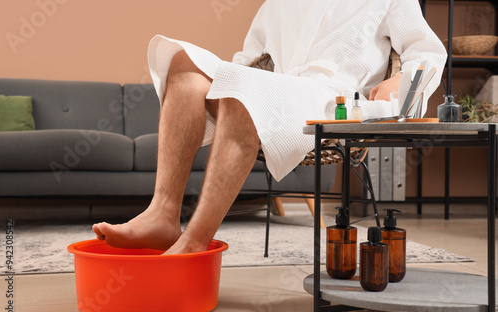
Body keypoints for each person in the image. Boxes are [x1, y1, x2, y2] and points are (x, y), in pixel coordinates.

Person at [93, 0, 447, 254]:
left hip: (332, 101)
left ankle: (195, 240)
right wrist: (220, 79)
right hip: (277, 90)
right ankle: (162, 214)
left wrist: (401, 80)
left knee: (243, 92)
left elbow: (428, 52)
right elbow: (249, 59)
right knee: (185, 62)